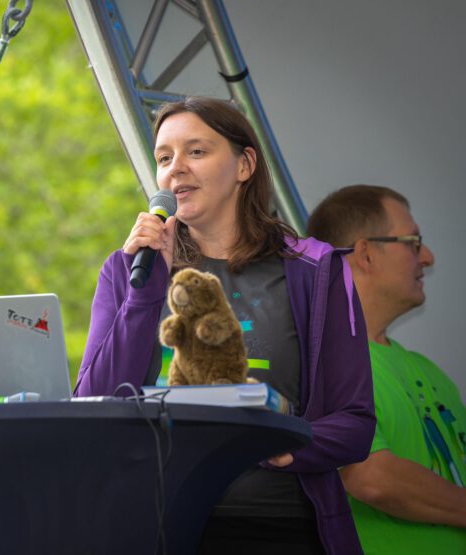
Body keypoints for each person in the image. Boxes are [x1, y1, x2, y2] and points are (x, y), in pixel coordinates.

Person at [74, 96, 375, 555]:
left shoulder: (315, 270)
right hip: (155, 522)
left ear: (244, 165)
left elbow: (354, 423)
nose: (175, 168)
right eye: (164, 157)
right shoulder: (129, 270)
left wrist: (284, 445)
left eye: (196, 151)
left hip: (276, 526)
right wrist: (145, 293)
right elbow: (94, 403)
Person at [307, 184, 466, 554]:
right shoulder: (322, 362)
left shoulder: (426, 370)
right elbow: (370, 477)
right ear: (365, 254)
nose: (427, 257)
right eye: (413, 242)